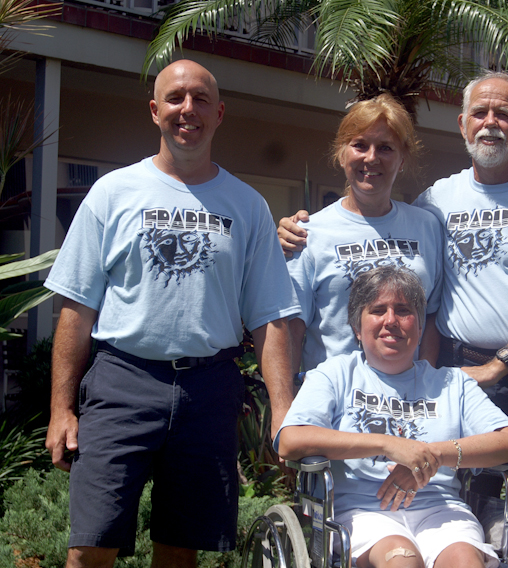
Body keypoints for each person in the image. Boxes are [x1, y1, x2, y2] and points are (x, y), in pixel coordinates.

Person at [278, 71, 508, 568]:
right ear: (463, 124)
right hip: (375, 393)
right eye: (481, 114)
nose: (491, 123)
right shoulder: (433, 203)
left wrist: (496, 367)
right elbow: (289, 324)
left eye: (504, 114)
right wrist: (287, 407)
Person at [43, 60, 300, 568]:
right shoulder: (112, 193)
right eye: (177, 98)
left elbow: (271, 316)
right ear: (155, 110)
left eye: (201, 99)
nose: (189, 110)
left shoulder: (247, 206)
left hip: (209, 388)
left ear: (220, 112)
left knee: (181, 550)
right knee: (91, 545)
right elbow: (76, 309)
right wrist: (61, 409)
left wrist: (283, 409)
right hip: (122, 380)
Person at [276, 266, 508, 568]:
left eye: (404, 310)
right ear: (357, 327)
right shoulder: (334, 374)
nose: (390, 321)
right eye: (377, 310)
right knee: (401, 559)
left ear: (420, 327)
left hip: (441, 509)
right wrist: (387, 444)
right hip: (364, 512)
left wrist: (430, 455)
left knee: (465, 562)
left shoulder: (451, 383)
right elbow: (290, 441)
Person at [286, 93, 443, 373]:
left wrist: (425, 380)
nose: (371, 158)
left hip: (409, 401)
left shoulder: (427, 226)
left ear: (403, 158)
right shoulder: (308, 234)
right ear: (341, 152)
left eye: (385, 148)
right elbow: (291, 330)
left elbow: (431, 317)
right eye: (360, 145)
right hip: (335, 403)